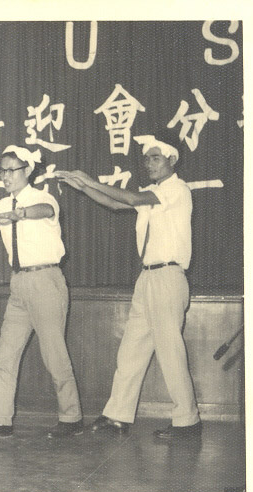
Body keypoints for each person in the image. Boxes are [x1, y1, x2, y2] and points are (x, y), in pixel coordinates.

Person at [56, 129, 201, 440]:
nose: (148, 163)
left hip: (168, 278)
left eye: (155, 158)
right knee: (131, 348)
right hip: (147, 278)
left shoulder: (177, 190)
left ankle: (187, 421)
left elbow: (132, 198)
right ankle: (117, 415)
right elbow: (117, 205)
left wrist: (89, 179)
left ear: (171, 160)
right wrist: (81, 187)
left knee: (170, 352)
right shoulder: (153, 192)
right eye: (146, 158)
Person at [0, 145, 83, 441]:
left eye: (11, 170)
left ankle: (72, 417)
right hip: (17, 285)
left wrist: (20, 214)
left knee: (54, 353)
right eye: (1, 170)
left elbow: (46, 211)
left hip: (45, 280)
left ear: (27, 171)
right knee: (5, 354)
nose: (5, 176)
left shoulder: (42, 197)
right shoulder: (0, 205)